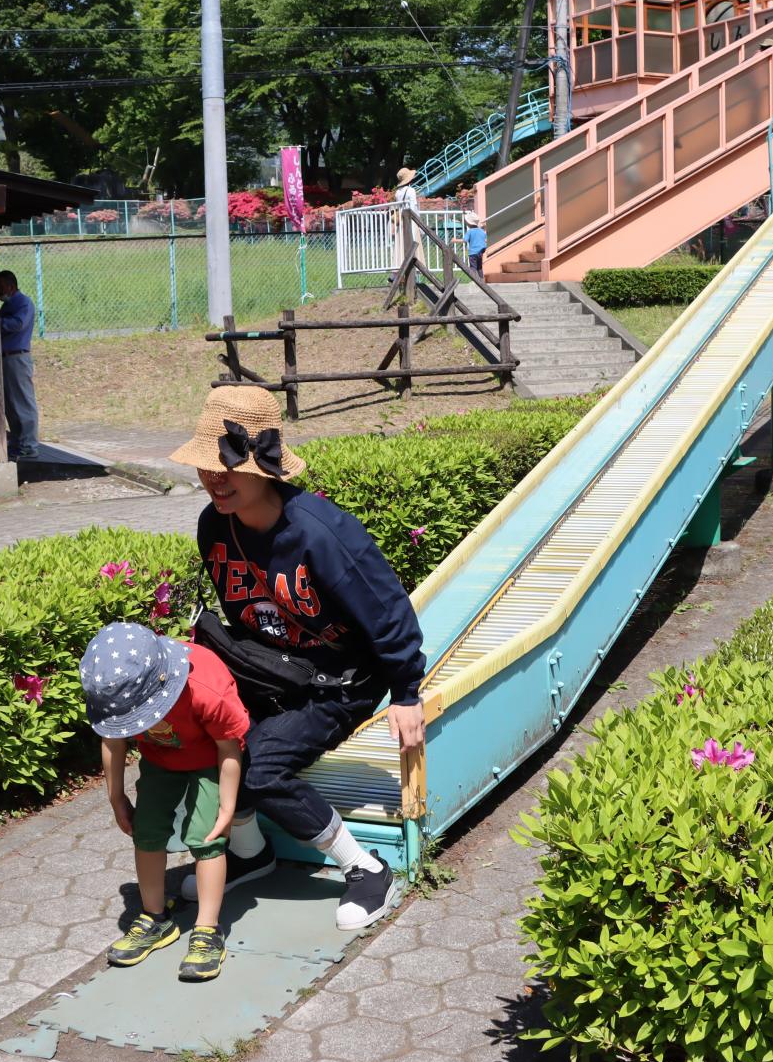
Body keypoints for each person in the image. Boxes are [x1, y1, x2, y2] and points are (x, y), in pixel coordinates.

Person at [169, 385, 426, 931]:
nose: (215, 478)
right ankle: (251, 852)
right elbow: (242, 617)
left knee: (259, 766)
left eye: (227, 468)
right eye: (206, 467)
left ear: (264, 468)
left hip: (343, 681)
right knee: (205, 733)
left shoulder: (322, 533)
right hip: (271, 669)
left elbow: (390, 612)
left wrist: (406, 692)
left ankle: (365, 868)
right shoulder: (214, 525)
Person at [82, 621, 248, 982]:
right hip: (160, 760)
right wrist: (115, 796)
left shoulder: (206, 689)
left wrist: (227, 805)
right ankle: (156, 918)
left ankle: (207, 929)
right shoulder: (120, 692)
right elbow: (112, 741)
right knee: (146, 832)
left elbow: (229, 747)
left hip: (209, 761)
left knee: (206, 838)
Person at [0, 271, 39, 459]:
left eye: (0, 287)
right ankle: (18, 443)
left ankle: (29, 445)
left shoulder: (23, 303)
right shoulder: (7, 305)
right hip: (5, 358)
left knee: (23, 403)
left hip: (17, 358)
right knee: (11, 405)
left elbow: (18, 324)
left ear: (11, 286)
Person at [463, 209, 487, 277]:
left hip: (473, 252)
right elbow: (484, 240)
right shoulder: (482, 231)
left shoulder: (470, 231)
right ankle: (481, 281)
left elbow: (465, 240)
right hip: (480, 252)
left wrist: (455, 240)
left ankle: (475, 280)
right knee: (479, 267)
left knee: (473, 267)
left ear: (469, 223)